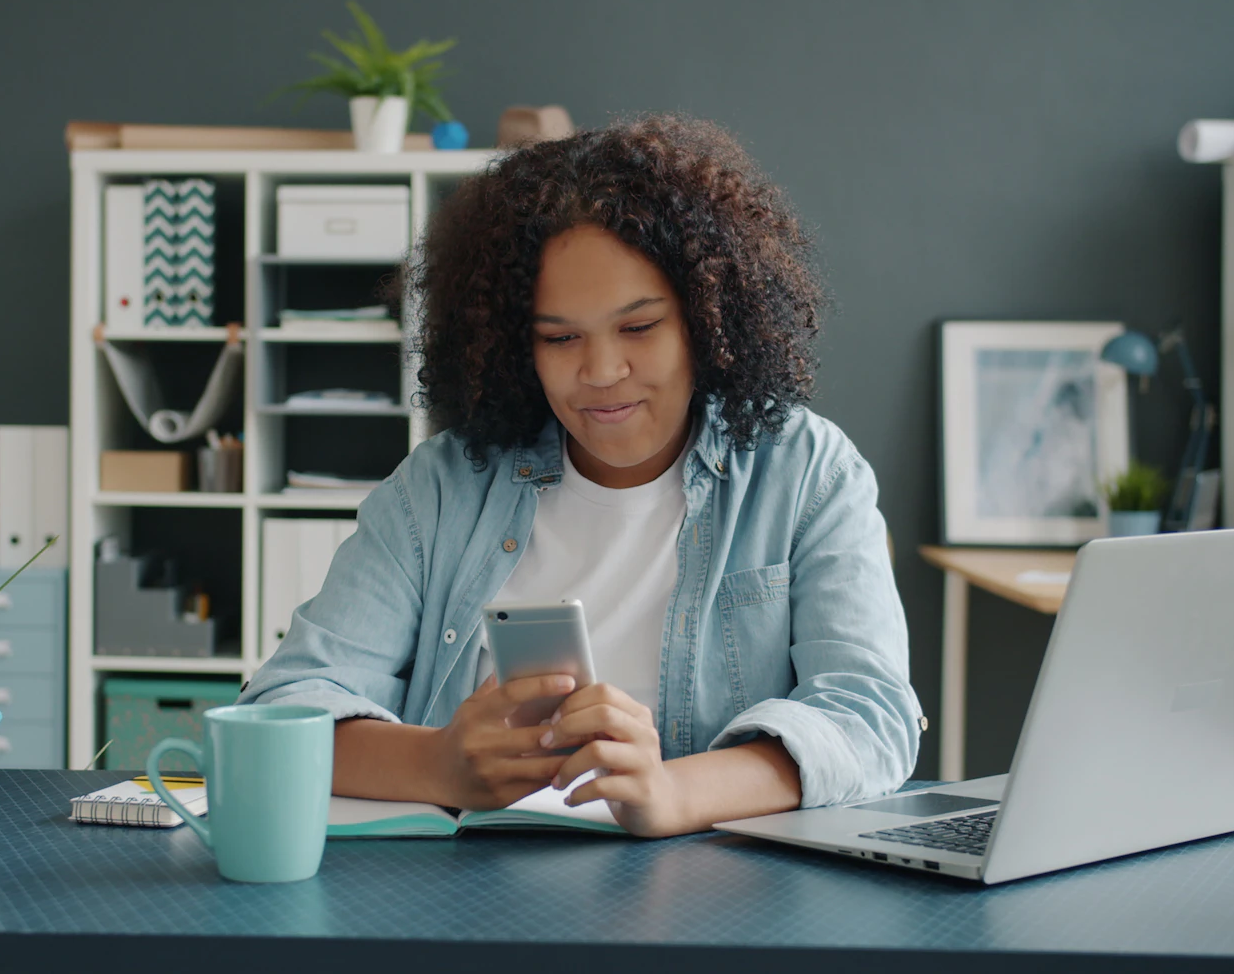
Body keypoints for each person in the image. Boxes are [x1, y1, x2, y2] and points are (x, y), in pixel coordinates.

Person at [238, 113, 922, 837]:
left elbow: (870, 718)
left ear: (708, 318)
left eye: (638, 327)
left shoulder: (806, 473)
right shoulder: (441, 487)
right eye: (559, 338)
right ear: (513, 346)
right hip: (458, 899)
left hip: (718, 902)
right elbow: (282, 709)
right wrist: (438, 762)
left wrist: (671, 793)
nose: (600, 373)